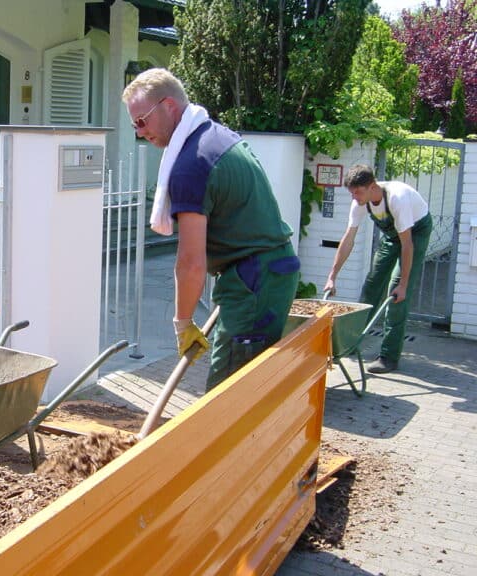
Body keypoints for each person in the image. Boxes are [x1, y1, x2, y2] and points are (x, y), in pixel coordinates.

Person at [121, 68, 300, 390]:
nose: (139, 131)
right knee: (247, 387)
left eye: (142, 120)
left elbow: (191, 262)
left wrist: (183, 323)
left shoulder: (192, 164)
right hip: (264, 273)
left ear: (168, 106)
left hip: (253, 281)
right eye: (134, 124)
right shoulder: (218, 137)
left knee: (227, 394)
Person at [324, 164, 432, 373]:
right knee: (372, 284)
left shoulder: (397, 199)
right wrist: (332, 276)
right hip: (393, 237)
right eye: (352, 193)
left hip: (415, 233)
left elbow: (407, 244)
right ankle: (352, 344)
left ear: (372, 186)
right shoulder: (360, 203)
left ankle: (389, 357)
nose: (354, 197)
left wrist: (403, 284)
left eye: (358, 192)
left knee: (396, 295)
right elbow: (348, 240)